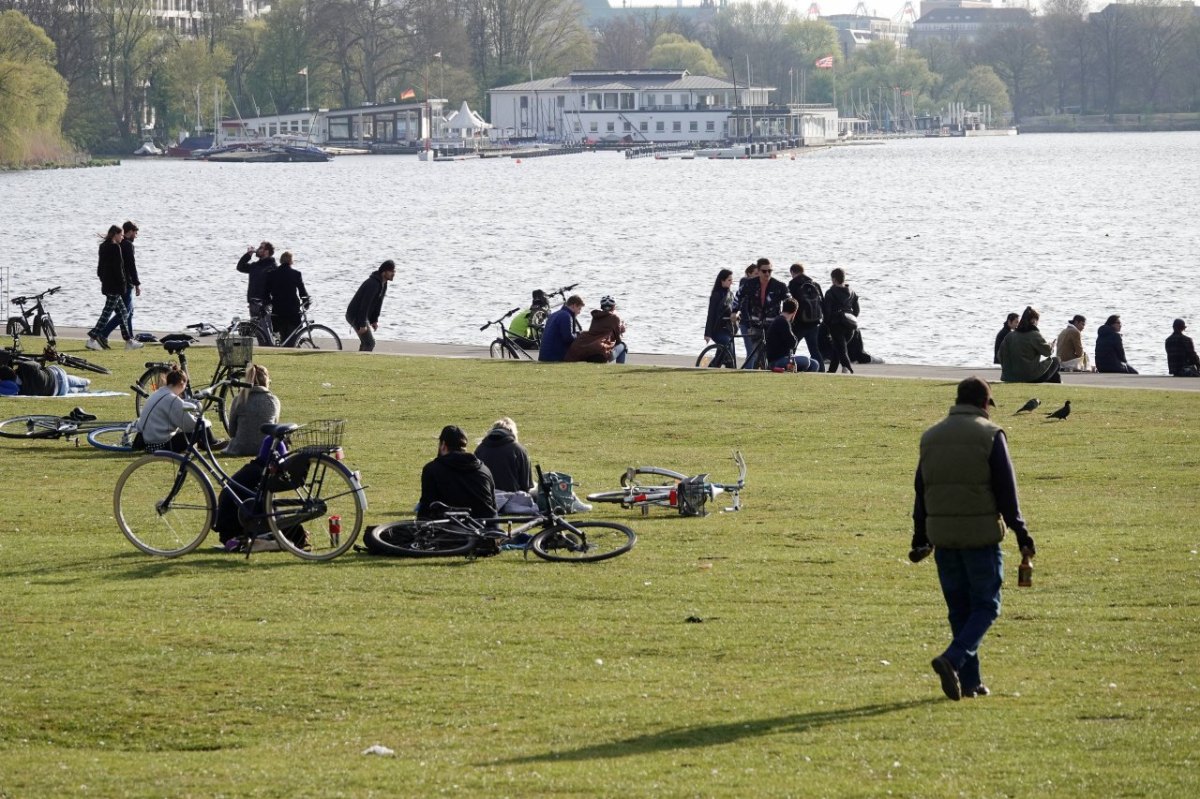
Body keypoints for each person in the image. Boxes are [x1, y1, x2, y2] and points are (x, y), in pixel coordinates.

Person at [911, 376, 1036, 701]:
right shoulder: (991, 435)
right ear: (985, 403)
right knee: (987, 605)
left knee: (960, 608)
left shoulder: (931, 437)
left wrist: (920, 535)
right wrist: (1022, 533)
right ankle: (951, 660)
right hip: (980, 537)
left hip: (943, 537)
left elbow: (921, 491)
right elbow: (1006, 492)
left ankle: (970, 683)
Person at [134, 368, 225, 453]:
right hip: (161, 445)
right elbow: (190, 425)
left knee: (196, 427)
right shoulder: (172, 399)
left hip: (148, 441)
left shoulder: (158, 393)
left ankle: (206, 443)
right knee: (201, 427)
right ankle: (212, 443)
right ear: (182, 384)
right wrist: (207, 422)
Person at [417, 425, 497, 520]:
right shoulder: (484, 469)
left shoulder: (432, 469)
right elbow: (493, 508)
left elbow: (426, 510)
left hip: (452, 530)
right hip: (487, 529)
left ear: (443, 445)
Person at [87, 225, 141, 351]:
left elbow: (99, 269)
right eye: (121, 235)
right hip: (115, 287)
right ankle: (92, 339)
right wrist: (122, 287)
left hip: (107, 285)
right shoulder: (116, 248)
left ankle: (129, 341)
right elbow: (119, 270)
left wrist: (104, 281)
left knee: (123, 313)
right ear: (115, 234)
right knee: (106, 314)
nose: (122, 237)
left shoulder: (103, 247)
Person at [734, 258, 790, 369]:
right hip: (755, 324)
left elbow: (790, 301)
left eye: (770, 271)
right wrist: (734, 312)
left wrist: (787, 316)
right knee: (755, 353)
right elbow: (738, 296)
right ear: (758, 271)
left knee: (773, 353)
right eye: (764, 271)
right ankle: (754, 372)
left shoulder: (779, 286)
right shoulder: (750, 284)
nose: (767, 273)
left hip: (773, 325)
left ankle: (769, 369)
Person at [224, 363, 281, 456]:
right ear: (267, 381)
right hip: (265, 448)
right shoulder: (273, 401)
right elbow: (273, 427)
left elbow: (232, 432)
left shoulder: (239, 400)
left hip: (239, 448)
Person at [998, 306, 1060, 383]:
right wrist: (1052, 346)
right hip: (1029, 377)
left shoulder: (1009, 336)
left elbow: (1000, 355)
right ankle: (1057, 383)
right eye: (1037, 320)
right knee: (1056, 360)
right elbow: (1047, 353)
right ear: (1033, 320)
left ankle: (1055, 382)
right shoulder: (1034, 335)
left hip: (1008, 377)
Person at [344, 260, 395, 352]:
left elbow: (378, 303)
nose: (393, 273)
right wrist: (362, 325)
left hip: (362, 315)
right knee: (370, 343)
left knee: (366, 342)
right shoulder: (373, 284)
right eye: (391, 271)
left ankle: (358, 360)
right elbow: (364, 305)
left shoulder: (383, 284)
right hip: (354, 314)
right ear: (384, 272)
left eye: (394, 271)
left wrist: (374, 320)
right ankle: (360, 361)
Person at [474, 417, 533, 493]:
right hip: (511, 498)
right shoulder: (518, 450)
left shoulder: (480, 449)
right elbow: (526, 484)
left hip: (486, 497)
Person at [0, 349, 91, 396]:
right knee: (74, 380)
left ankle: (84, 390)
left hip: (57, 391)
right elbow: (39, 365)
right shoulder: (26, 367)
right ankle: (86, 382)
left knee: (75, 390)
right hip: (57, 376)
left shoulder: (21, 391)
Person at [566, 295, 627, 364]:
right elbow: (618, 340)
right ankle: (620, 367)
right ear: (613, 307)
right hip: (602, 353)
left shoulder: (595, 317)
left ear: (601, 306)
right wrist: (621, 331)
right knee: (623, 345)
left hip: (590, 351)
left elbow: (596, 333)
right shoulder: (615, 318)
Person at [265, 251, 310, 343]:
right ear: (291, 261)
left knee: (283, 334)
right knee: (292, 336)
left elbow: (266, 292)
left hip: (278, 309)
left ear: (281, 261)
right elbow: (302, 291)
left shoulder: (272, 274)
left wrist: (267, 303)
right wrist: (306, 302)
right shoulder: (296, 274)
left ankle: (283, 346)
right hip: (292, 310)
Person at [787, 263, 824, 371]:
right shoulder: (815, 284)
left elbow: (791, 303)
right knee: (814, 349)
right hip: (815, 322)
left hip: (799, 323)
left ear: (792, 272)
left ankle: (790, 367)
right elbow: (822, 302)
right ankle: (821, 370)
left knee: (792, 347)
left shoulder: (793, 284)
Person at [765, 298, 820, 372]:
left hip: (781, 358)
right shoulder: (783, 322)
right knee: (806, 360)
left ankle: (802, 380)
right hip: (777, 361)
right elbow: (792, 343)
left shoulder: (779, 320)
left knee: (815, 363)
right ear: (795, 312)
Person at [822, 267, 860, 374]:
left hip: (836, 325)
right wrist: (851, 317)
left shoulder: (830, 292)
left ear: (833, 279)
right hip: (850, 325)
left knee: (841, 350)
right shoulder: (852, 292)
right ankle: (831, 371)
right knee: (837, 348)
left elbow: (827, 312)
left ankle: (848, 369)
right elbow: (857, 310)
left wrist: (827, 324)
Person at [703, 269, 737, 368]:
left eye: (732, 280)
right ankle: (729, 366)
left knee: (724, 351)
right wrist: (707, 334)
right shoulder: (716, 295)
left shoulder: (730, 294)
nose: (731, 282)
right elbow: (711, 314)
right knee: (727, 345)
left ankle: (714, 367)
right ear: (722, 281)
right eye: (729, 280)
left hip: (727, 329)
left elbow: (734, 309)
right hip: (717, 330)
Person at [236, 241, 278, 320]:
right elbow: (240, 267)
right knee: (255, 330)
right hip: (253, 304)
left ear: (267, 252)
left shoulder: (272, 267)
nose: (258, 249)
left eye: (261, 248)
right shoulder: (254, 266)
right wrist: (248, 254)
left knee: (266, 331)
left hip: (265, 306)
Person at [538, 294, 584, 362]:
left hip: (544, 356)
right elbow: (568, 338)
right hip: (555, 357)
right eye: (579, 308)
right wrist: (580, 336)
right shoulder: (566, 316)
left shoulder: (554, 314)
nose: (579, 312)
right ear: (574, 305)